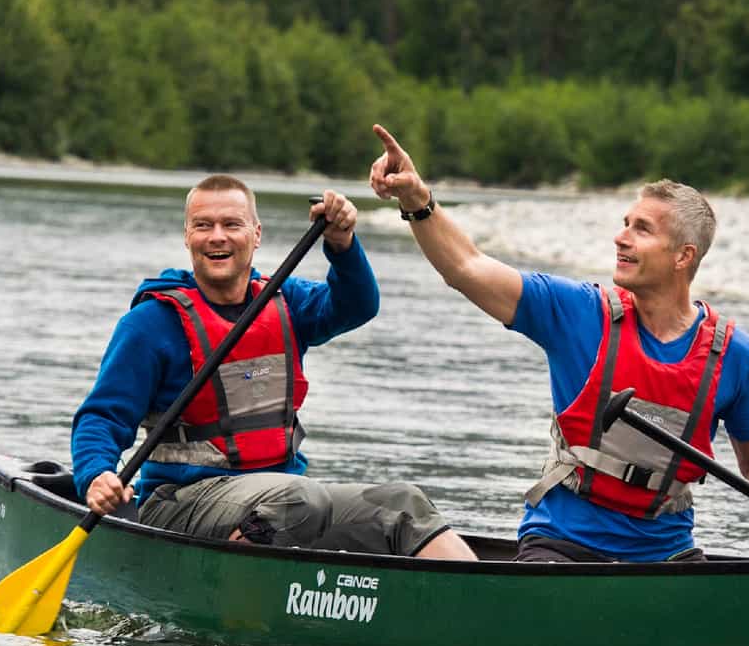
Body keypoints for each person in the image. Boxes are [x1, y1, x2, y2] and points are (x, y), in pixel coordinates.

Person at [366, 124, 749, 563]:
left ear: (683, 256)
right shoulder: (579, 314)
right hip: (561, 546)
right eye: (625, 223)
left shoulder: (732, 355)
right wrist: (416, 198)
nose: (619, 237)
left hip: (666, 555)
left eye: (642, 229)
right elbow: (466, 266)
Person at [72, 174, 476, 561]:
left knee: (404, 503)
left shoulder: (287, 302)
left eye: (232, 224)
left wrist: (341, 242)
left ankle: (480, 604)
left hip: (285, 499)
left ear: (256, 234)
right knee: (299, 499)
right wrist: (96, 476)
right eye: (203, 225)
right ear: (187, 237)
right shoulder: (150, 324)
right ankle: (233, 596)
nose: (217, 236)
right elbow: (102, 418)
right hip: (181, 502)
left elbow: (357, 305)